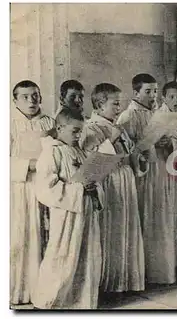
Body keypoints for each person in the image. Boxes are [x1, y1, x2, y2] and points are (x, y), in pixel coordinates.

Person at [79, 83, 146, 293]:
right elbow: (92, 161)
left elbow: (129, 152)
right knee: (110, 230)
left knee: (125, 228)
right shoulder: (90, 128)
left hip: (125, 179)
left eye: (120, 104)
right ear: (99, 105)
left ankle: (123, 281)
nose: (119, 108)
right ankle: (107, 283)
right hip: (108, 182)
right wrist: (113, 138)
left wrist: (138, 158)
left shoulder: (117, 125)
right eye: (115, 104)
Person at [33, 109, 103, 309]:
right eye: (75, 131)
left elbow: (91, 176)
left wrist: (94, 186)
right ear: (59, 128)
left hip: (86, 210)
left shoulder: (80, 150)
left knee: (86, 254)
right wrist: (79, 189)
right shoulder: (52, 151)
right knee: (62, 256)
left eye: (81, 131)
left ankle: (80, 301)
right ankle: (48, 302)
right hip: (66, 215)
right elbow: (46, 187)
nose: (79, 136)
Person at [116, 73, 177, 284]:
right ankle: (144, 272)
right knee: (146, 215)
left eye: (155, 91)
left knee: (160, 214)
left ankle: (161, 269)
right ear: (136, 93)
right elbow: (125, 149)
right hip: (143, 174)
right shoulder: (128, 116)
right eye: (148, 91)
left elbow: (174, 139)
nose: (153, 96)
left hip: (161, 170)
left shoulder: (160, 113)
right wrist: (150, 145)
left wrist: (169, 142)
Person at [10, 80, 55, 305]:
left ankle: (43, 290)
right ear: (15, 100)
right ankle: (21, 290)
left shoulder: (50, 122)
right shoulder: (8, 124)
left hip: (46, 184)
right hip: (20, 188)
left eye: (35, 95)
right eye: (25, 96)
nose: (31, 100)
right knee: (22, 236)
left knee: (46, 233)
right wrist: (28, 165)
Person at [157, 81, 177, 267]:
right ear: (164, 98)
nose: (176, 100)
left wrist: (174, 144)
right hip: (162, 169)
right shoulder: (159, 116)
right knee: (167, 213)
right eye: (172, 97)